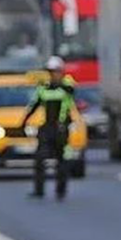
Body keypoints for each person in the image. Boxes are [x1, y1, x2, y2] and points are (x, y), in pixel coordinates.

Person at [21, 57, 76, 200]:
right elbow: (33, 106)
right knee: (40, 159)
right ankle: (39, 190)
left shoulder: (67, 87)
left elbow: (71, 90)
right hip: (47, 128)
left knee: (62, 161)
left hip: (61, 128)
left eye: (56, 72)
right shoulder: (43, 89)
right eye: (51, 72)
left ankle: (60, 191)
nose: (53, 75)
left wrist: (59, 83)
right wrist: (24, 122)